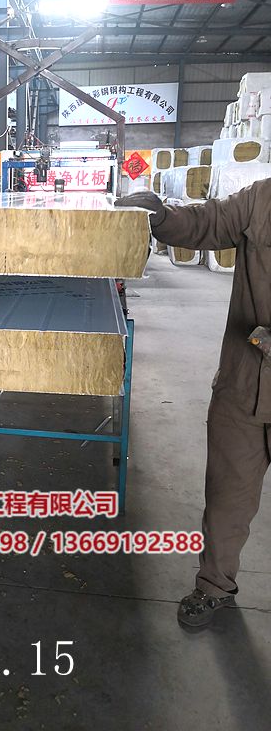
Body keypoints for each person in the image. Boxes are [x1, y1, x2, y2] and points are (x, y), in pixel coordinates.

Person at [115, 182, 271, 628]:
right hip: (244, 382)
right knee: (226, 495)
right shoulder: (261, 200)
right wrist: (162, 216)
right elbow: (208, 222)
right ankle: (215, 585)